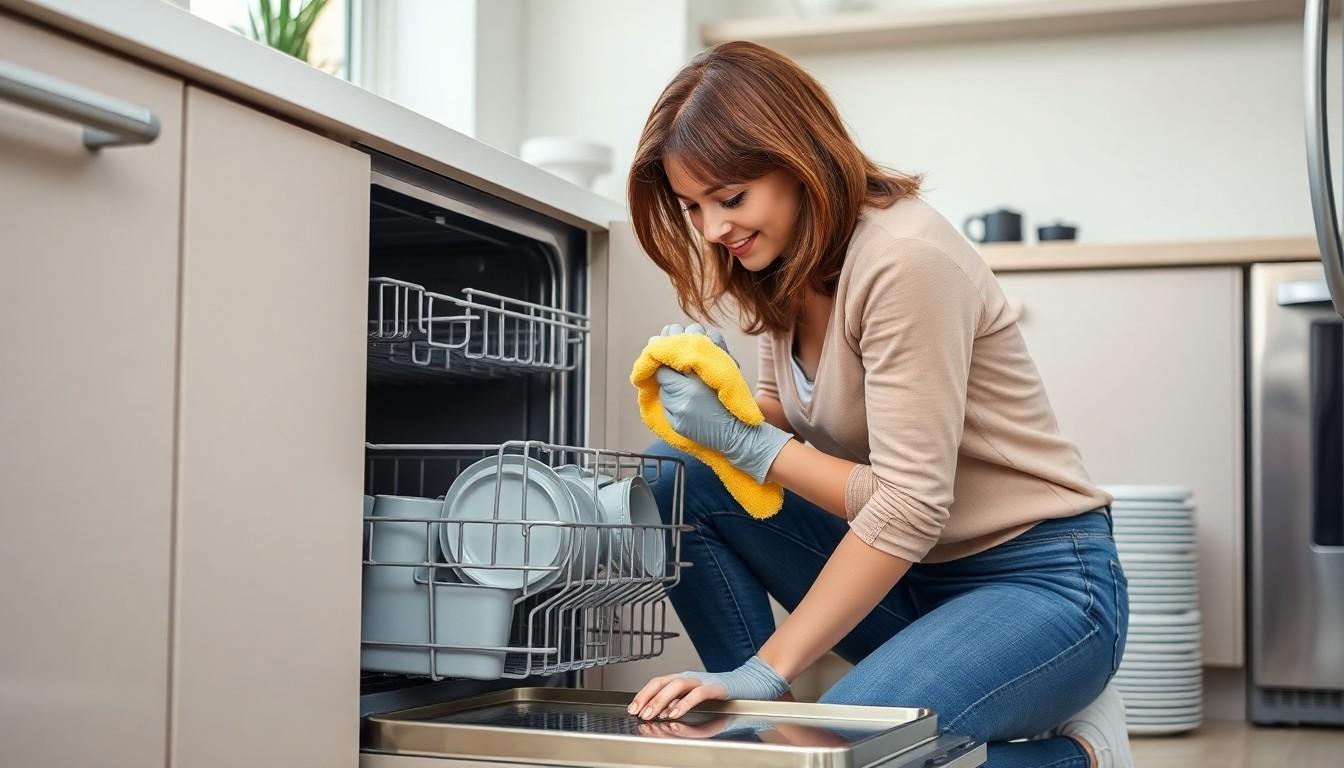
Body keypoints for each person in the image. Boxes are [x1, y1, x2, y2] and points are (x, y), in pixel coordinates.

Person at [620, 41, 1134, 768]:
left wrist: (770, 665)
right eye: (693, 207)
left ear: (798, 159)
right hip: (909, 577)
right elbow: (787, 417)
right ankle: (754, 741)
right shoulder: (780, 262)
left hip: (1039, 584)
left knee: (844, 752)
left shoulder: (903, 258)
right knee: (678, 469)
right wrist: (720, 407)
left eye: (729, 198)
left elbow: (909, 504)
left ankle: (1081, 755)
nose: (712, 230)